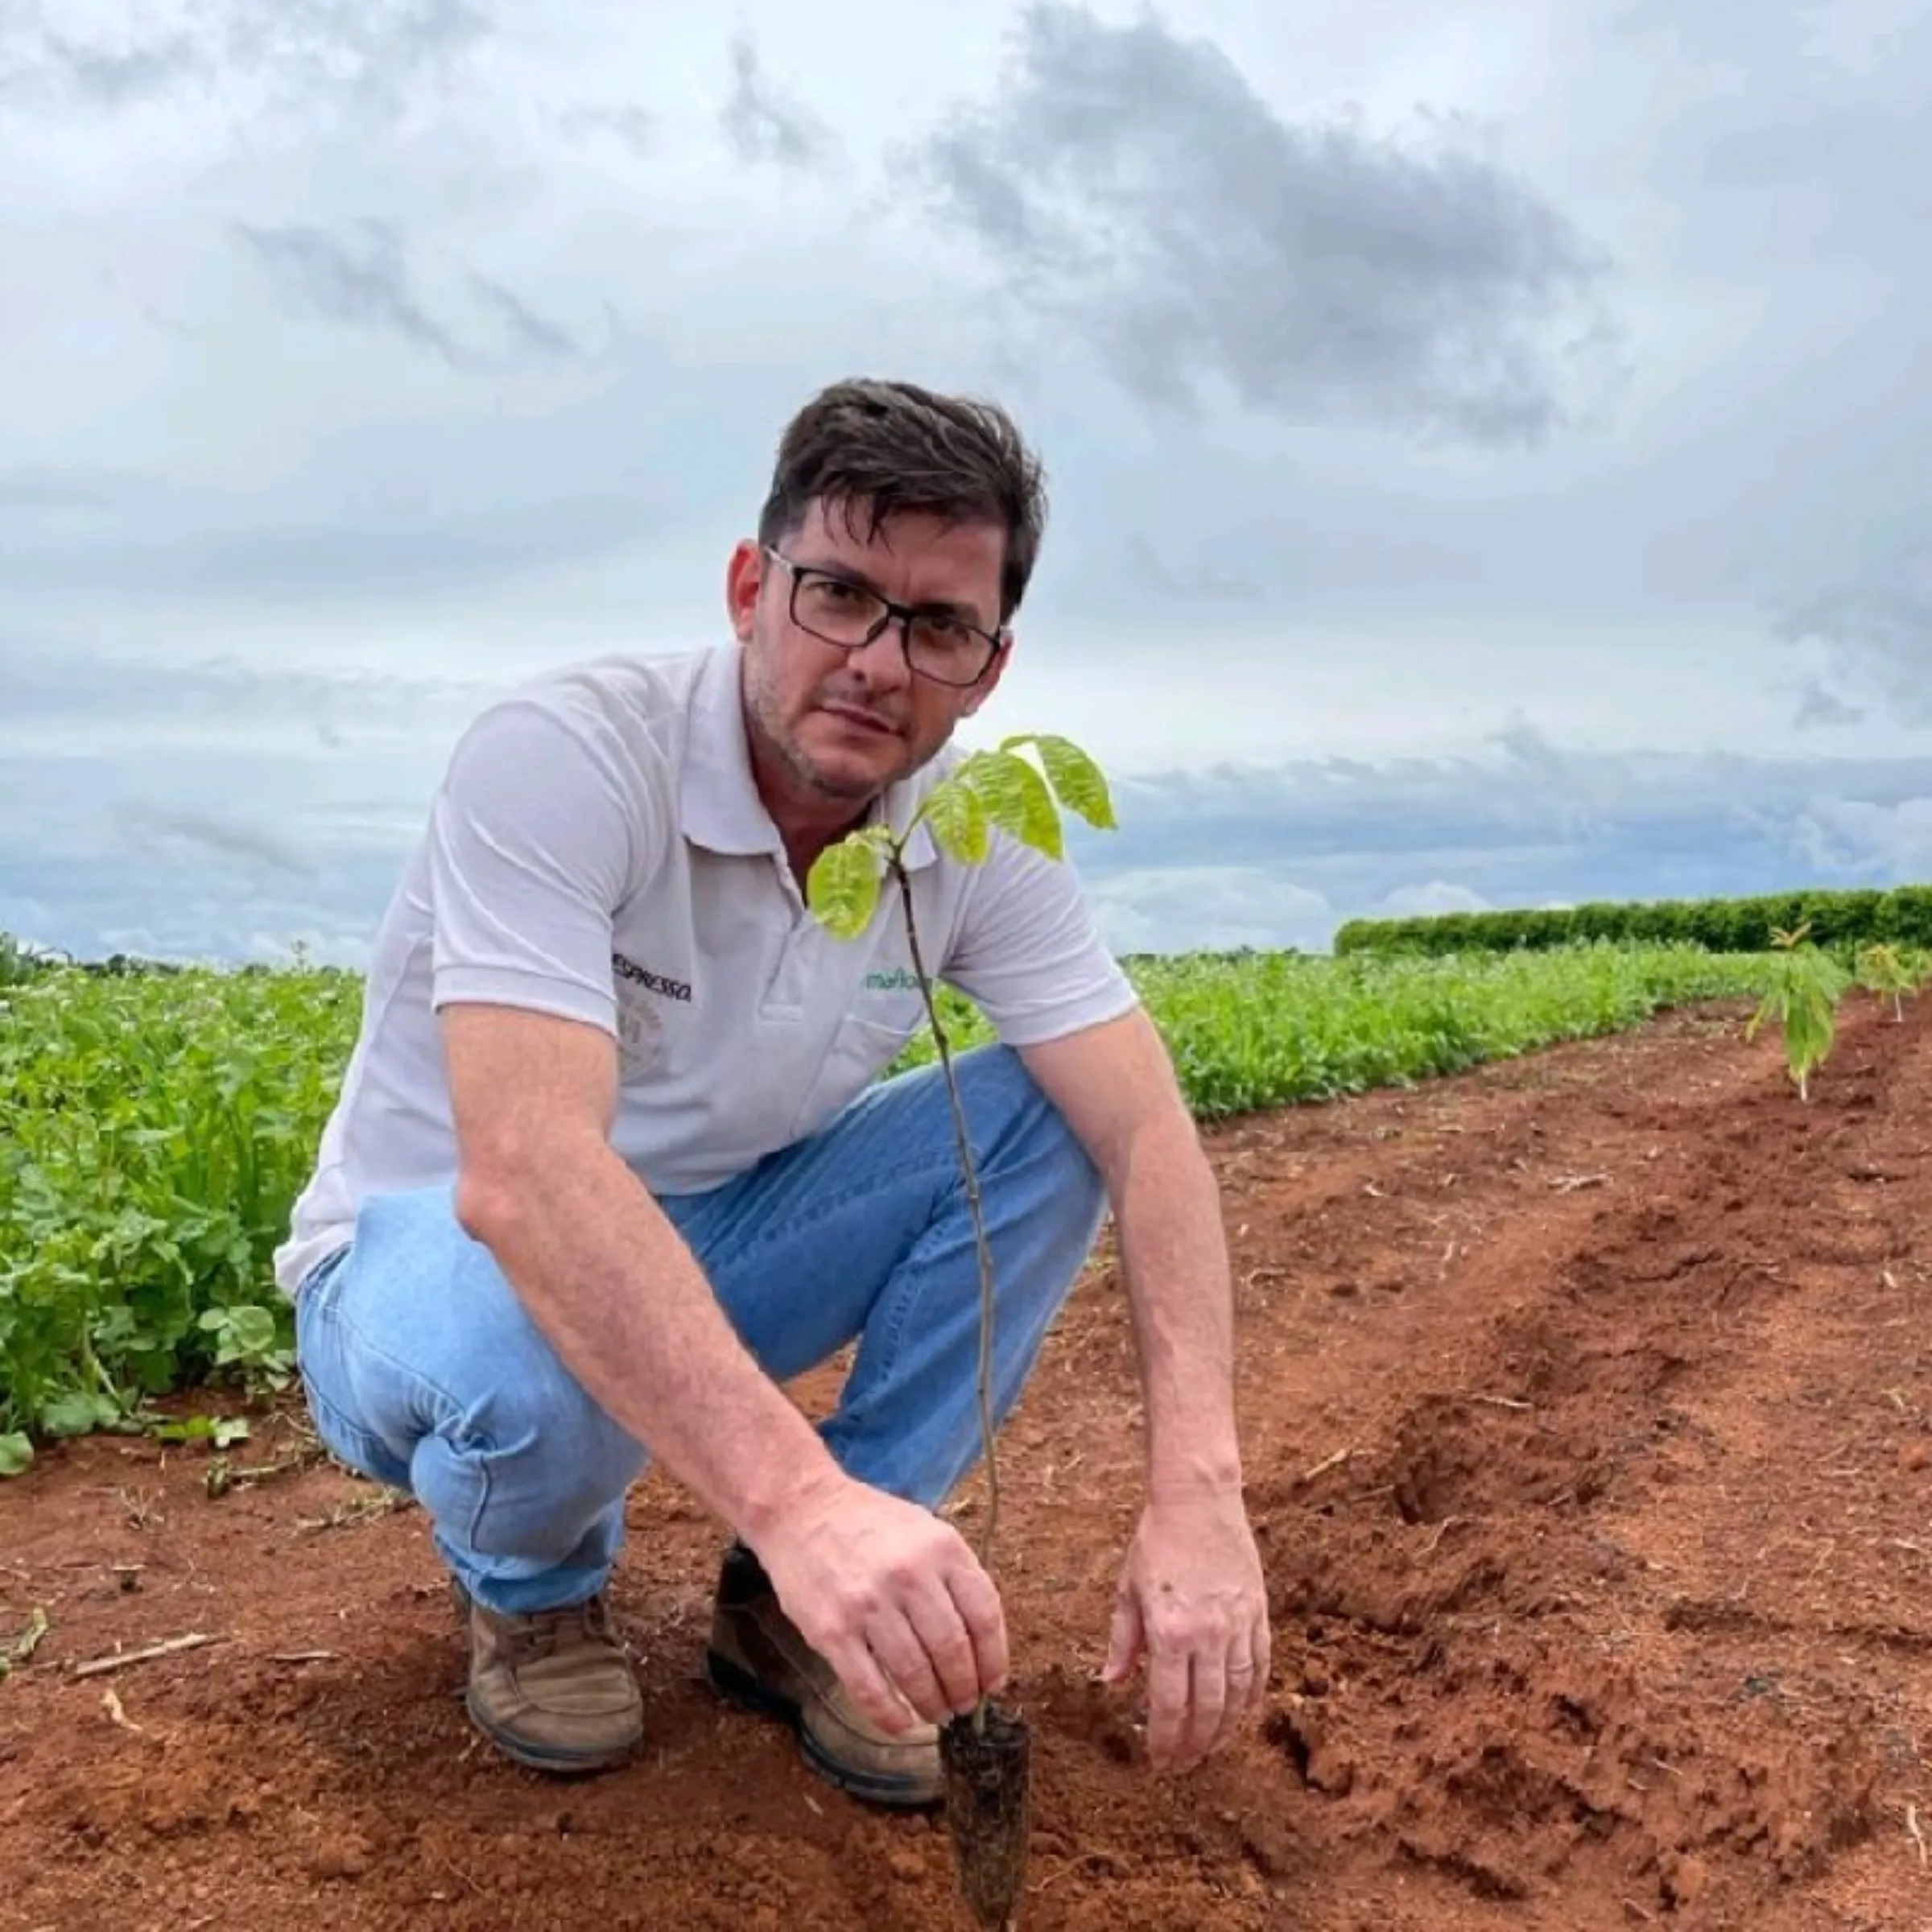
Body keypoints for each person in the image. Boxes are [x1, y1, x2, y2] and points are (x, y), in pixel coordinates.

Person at [272, 376, 1270, 1807]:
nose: (877, 660)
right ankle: (534, 1580)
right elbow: (528, 1180)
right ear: (752, 587)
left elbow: (1151, 1132)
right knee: (540, 1334)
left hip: (714, 1238)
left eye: (938, 627)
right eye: (839, 595)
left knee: (1054, 1115)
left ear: (990, 665)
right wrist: (798, 1500)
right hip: (426, 1270)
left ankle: (808, 1605)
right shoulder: (569, 756)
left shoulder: (975, 833)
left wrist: (1200, 1496)